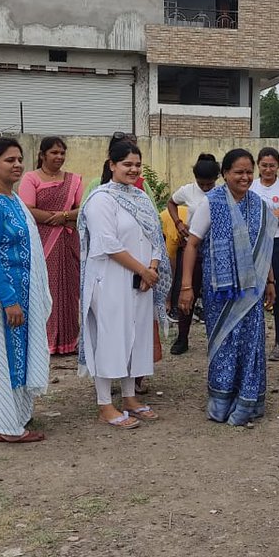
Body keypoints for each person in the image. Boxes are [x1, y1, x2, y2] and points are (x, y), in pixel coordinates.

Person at [178, 148, 277, 426]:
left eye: (249, 172)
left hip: (252, 290)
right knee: (224, 343)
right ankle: (221, 404)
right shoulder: (211, 203)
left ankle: (247, 402)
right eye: (238, 172)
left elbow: (264, 249)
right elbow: (192, 245)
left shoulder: (259, 206)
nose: (245, 177)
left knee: (251, 345)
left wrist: (270, 281)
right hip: (220, 291)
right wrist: (186, 286)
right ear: (225, 174)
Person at [79, 139, 171, 428]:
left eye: (137, 164)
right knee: (110, 338)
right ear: (112, 165)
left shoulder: (141, 197)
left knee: (136, 336)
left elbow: (155, 236)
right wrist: (143, 270)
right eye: (127, 164)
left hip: (141, 281)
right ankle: (105, 403)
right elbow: (107, 243)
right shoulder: (101, 199)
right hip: (109, 281)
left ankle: (130, 398)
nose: (133, 169)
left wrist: (152, 268)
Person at [0, 138, 52, 445]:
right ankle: (4, 425)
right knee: (0, 357)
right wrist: (9, 299)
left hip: (20, 293)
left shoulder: (12, 199)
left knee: (16, 356)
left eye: (19, 159)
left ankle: (6, 416)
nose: (17, 165)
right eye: (9, 160)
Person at [19, 136, 83, 357]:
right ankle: (45, 342)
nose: (59, 157)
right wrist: (58, 218)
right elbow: (27, 209)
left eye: (62, 153)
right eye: (54, 153)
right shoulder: (31, 178)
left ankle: (68, 341)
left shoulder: (73, 180)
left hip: (67, 243)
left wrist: (63, 216)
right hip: (42, 241)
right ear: (42, 155)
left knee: (69, 291)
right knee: (45, 290)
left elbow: (81, 209)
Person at [166, 153, 220, 356]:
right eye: (201, 184)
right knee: (187, 291)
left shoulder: (223, 193)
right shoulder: (188, 191)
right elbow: (171, 203)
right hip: (192, 248)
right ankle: (182, 337)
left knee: (214, 296)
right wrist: (178, 223)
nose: (205, 188)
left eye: (209, 184)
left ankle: (215, 339)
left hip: (215, 249)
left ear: (217, 179)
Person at [250, 147, 279, 361]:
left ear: (278, 166)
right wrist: (272, 213)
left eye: (272, 165)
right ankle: (254, 342)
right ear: (258, 165)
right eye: (264, 165)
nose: (268, 170)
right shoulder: (251, 186)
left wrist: (260, 214)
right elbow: (245, 216)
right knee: (254, 295)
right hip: (255, 245)